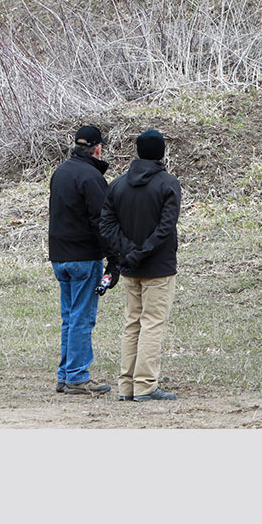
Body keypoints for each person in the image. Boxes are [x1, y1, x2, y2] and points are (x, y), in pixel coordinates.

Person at [98, 129, 183, 401]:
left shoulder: (117, 185)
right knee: (151, 324)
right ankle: (145, 384)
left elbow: (107, 224)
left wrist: (128, 252)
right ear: (161, 153)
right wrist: (141, 253)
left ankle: (126, 385)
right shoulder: (168, 184)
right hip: (158, 267)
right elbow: (165, 228)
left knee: (132, 323)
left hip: (130, 267)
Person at [47, 124, 120, 395]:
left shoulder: (60, 172)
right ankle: (77, 376)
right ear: (97, 148)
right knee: (81, 318)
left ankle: (65, 374)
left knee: (69, 317)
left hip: (59, 256)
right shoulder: (91, 178)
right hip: (83, 257)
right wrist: (113, 258)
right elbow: (101, 222)